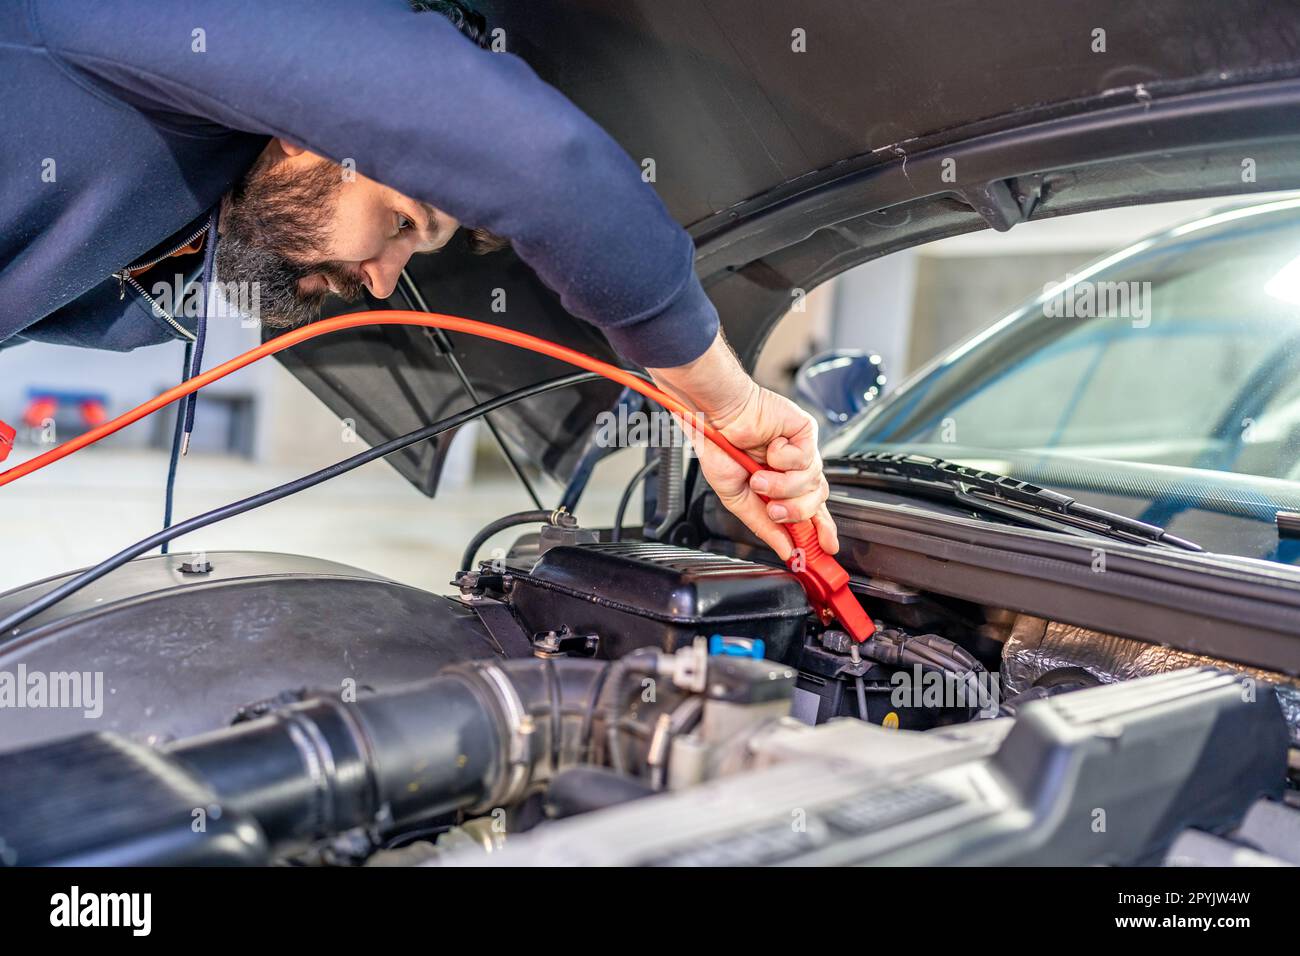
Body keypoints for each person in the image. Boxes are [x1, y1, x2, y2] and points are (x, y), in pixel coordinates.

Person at [0, 0, 837, 559]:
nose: (381, 282)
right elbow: (545, 169)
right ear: (313, 124)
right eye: (405, 222)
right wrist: (726, 403)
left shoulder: (177, 227)